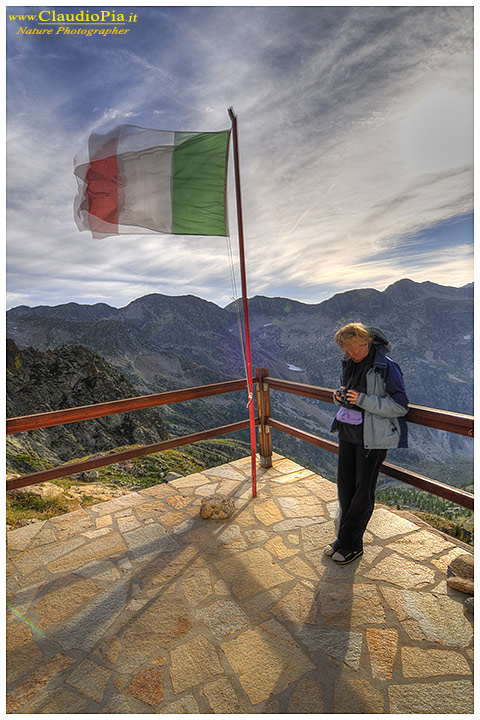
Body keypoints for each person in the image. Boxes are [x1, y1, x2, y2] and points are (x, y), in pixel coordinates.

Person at [325, 322, 409, 564]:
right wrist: (339, 397)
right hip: (348, 434)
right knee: (345, 489)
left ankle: (352, 544)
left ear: (366, 343)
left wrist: (363, 399)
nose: (349, 354)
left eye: (353, 349)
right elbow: (350, 397)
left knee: (362, 493)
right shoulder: (351, 364)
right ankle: (343, 538)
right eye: (345, 350)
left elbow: (400, 406)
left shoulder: (386, 367)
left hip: (372, 439)